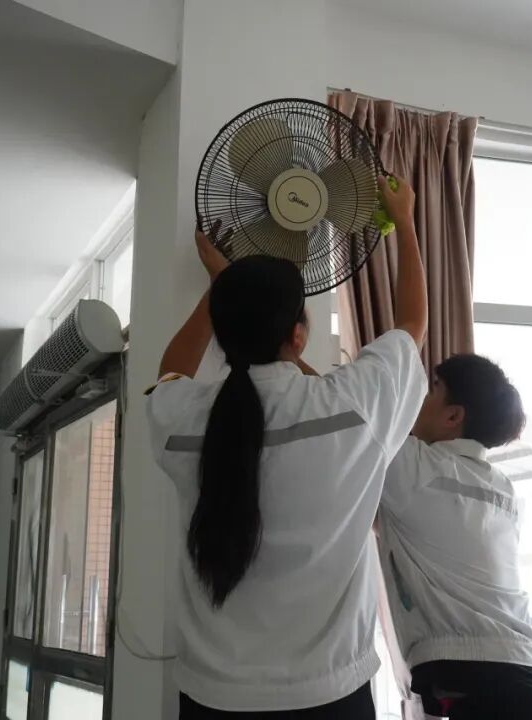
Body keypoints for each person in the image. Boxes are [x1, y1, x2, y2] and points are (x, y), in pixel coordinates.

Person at [145, 177, 428, 719]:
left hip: (212, 699)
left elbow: (170, 374)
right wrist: (406, 221)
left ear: (222, 330)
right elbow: (412, 325)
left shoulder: (181, 422)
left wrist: (221, 288)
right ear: (298, 336)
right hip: (330, 696)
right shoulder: (353, 408)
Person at [378, 353, 532, 719]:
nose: (421, 396)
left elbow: (345, 411)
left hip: (489, 683)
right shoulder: (501, 486)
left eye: (433, 388)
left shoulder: (415, 465)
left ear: (453, 416)